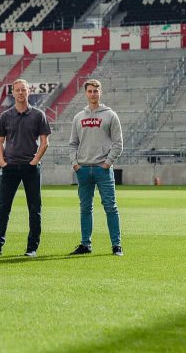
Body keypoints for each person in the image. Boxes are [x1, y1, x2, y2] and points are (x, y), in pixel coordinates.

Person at [0, 78, 50, 258]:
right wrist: (2, 161)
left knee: (34, 208)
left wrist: (34, 161)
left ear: (29, 92)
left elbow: (45, 142)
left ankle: (32, 248)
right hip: (10, 167)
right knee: (3, 208)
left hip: (31, 167)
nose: (21, 93)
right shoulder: (5, 116)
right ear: (13, 93)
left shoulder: (38, 115)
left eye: (24, 90)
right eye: (17, 90)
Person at [68, 79, 124, 257]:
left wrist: (107, 163)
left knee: (110, 207)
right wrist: (75, 164)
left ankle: (116, 245)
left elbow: (118, 143)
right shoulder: (78, 117)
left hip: (103, 169)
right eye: (90, 91)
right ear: (85, 93)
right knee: (85, 208)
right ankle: (85, 244)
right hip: (83, 169)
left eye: (96, 91)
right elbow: (72, 144)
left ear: (101, 93)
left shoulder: (110, 115)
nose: (93, 94)